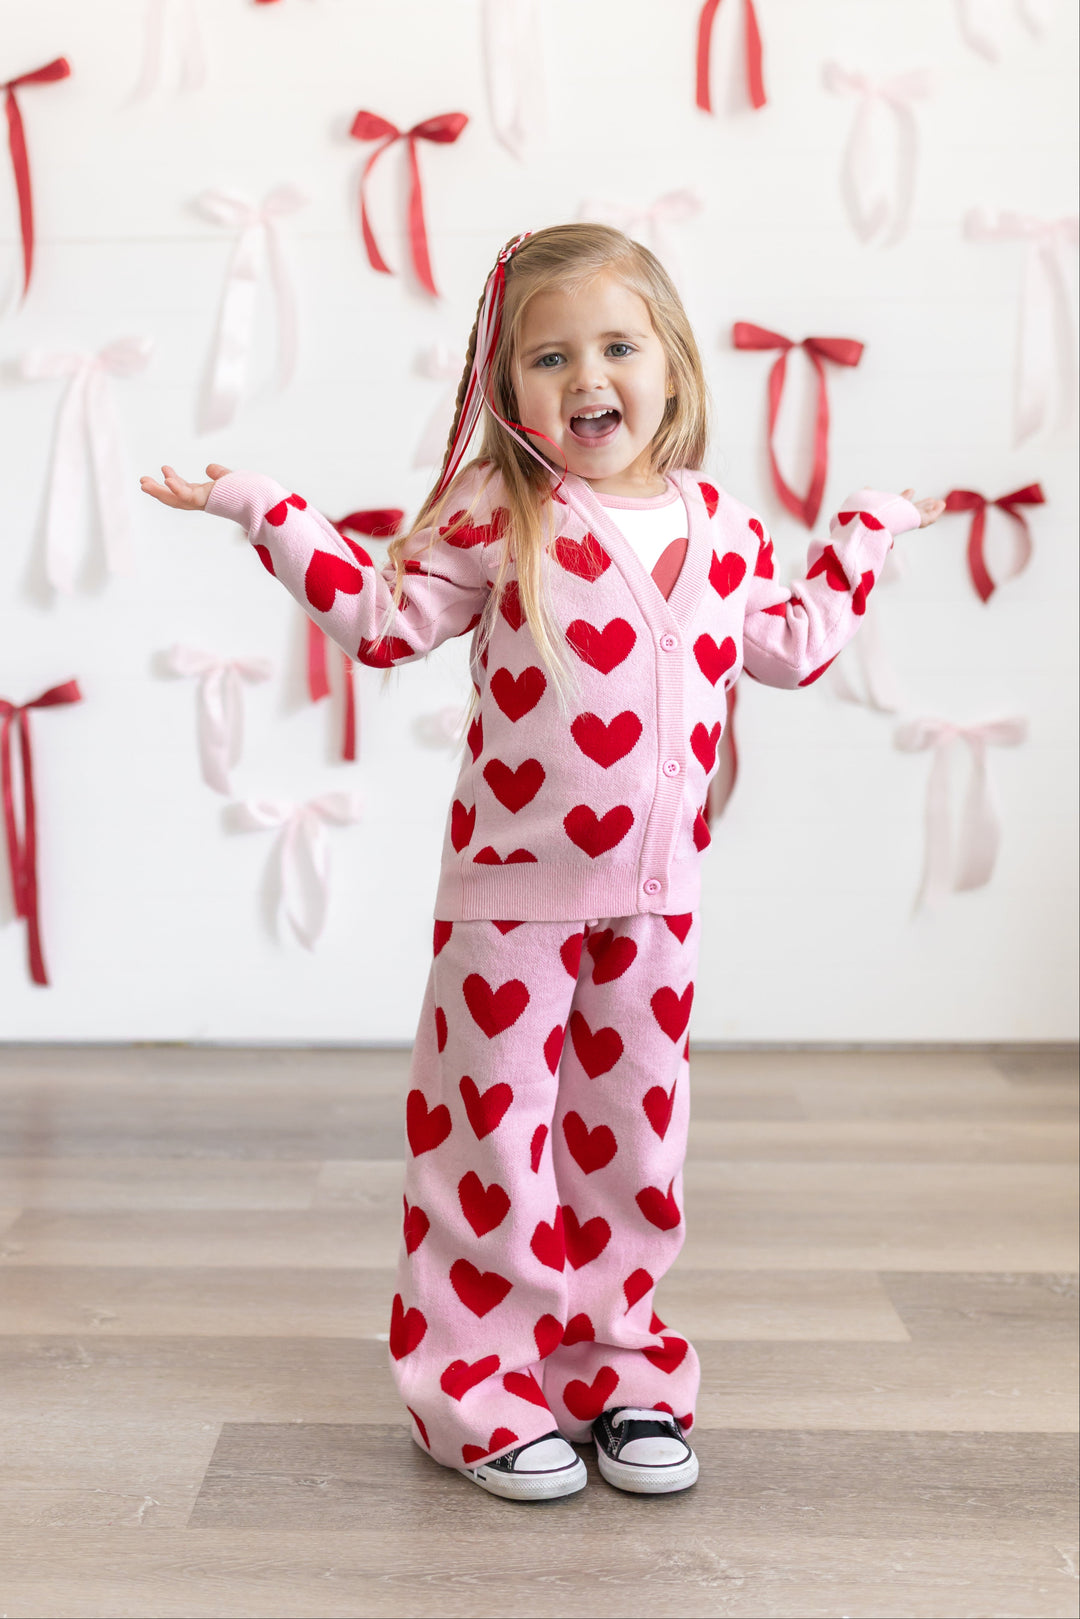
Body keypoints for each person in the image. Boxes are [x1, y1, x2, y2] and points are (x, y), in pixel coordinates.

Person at [141, 222, 945, 1504]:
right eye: (549, 356)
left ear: (670, 365)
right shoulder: (494, 511)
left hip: (659, 911)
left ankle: (615, 1369)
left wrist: (870, 530)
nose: (588, 378)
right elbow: (381, 616)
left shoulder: (722, 524)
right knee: (491, 1146)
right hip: (507, 913)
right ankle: (475, 1392)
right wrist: (263, 506)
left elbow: (791, 644)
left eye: (616, 346)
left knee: (632, 1145)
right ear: (504, 387)